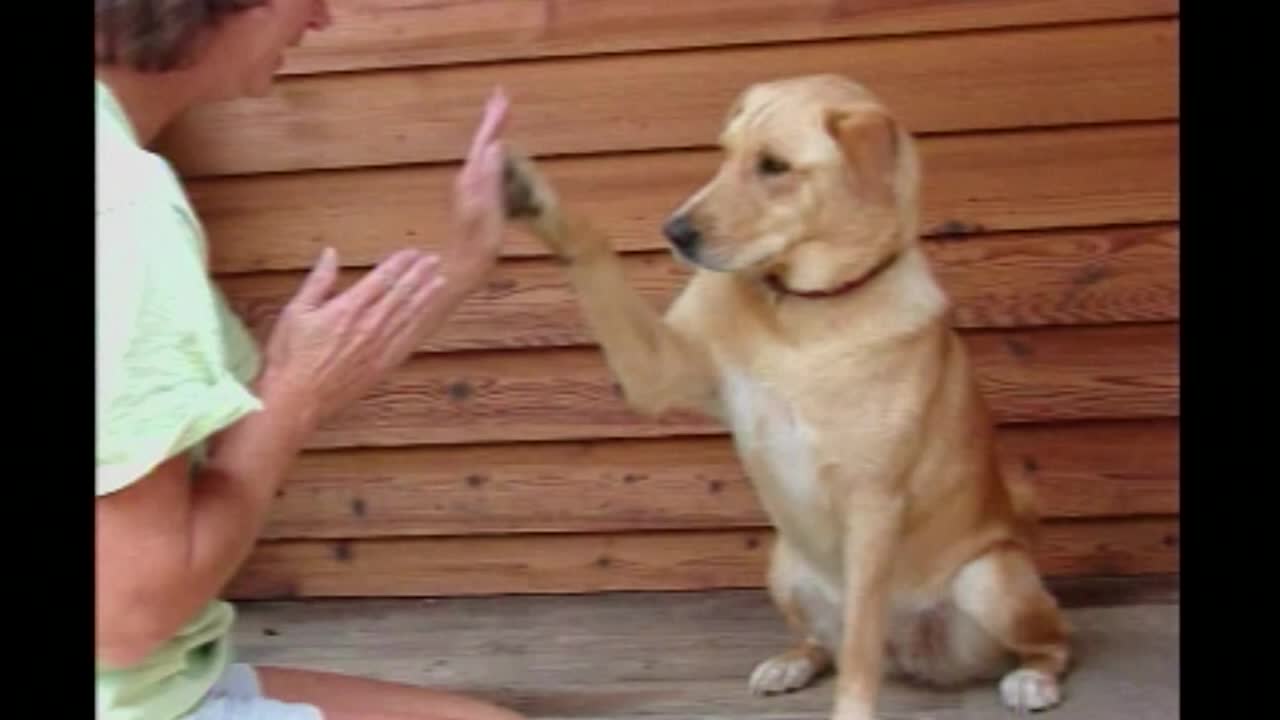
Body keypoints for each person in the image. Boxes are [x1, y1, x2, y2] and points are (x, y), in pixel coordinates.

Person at [95, 1, 526, 718]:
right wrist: (290, 401)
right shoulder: (124, 210)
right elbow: (128, 617)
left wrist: (464, 260)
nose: (322, 15)